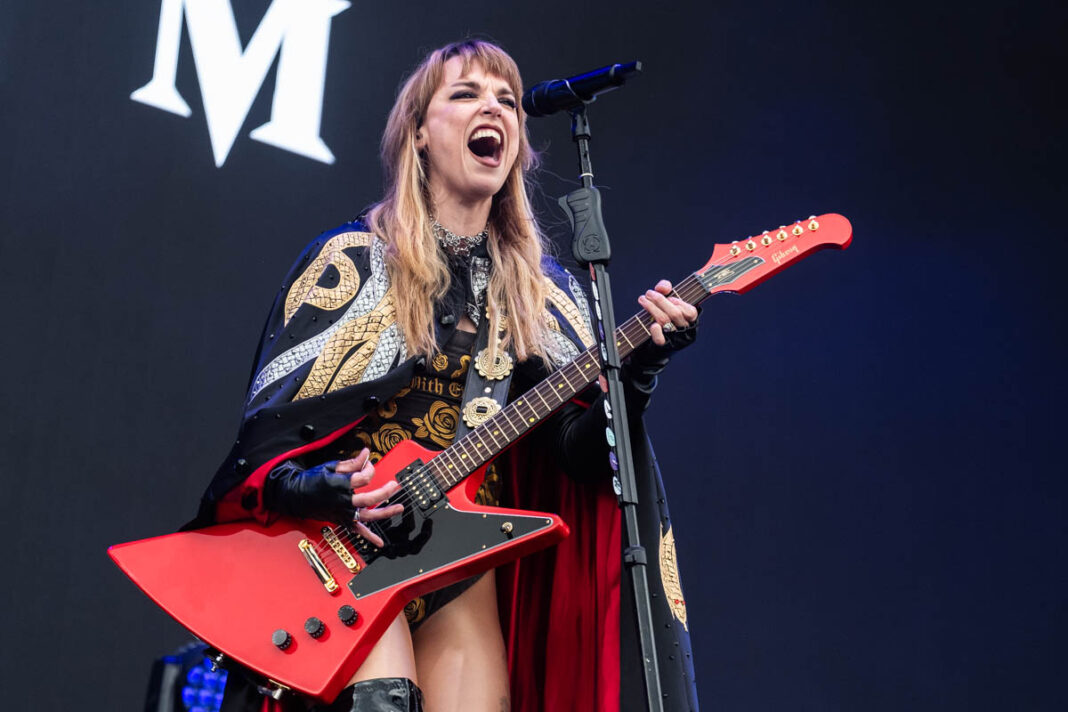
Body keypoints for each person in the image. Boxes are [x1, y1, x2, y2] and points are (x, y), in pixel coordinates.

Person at [194, 39, 699, 712]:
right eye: (465, 94)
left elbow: (578, 458)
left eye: (508, 101)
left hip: (461, 560)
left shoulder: (544, 297)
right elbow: (266, 445)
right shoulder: (351, 263)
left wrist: (639, 370)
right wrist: (321, 490)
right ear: (420, 135)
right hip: (346, 547)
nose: (492, 107)